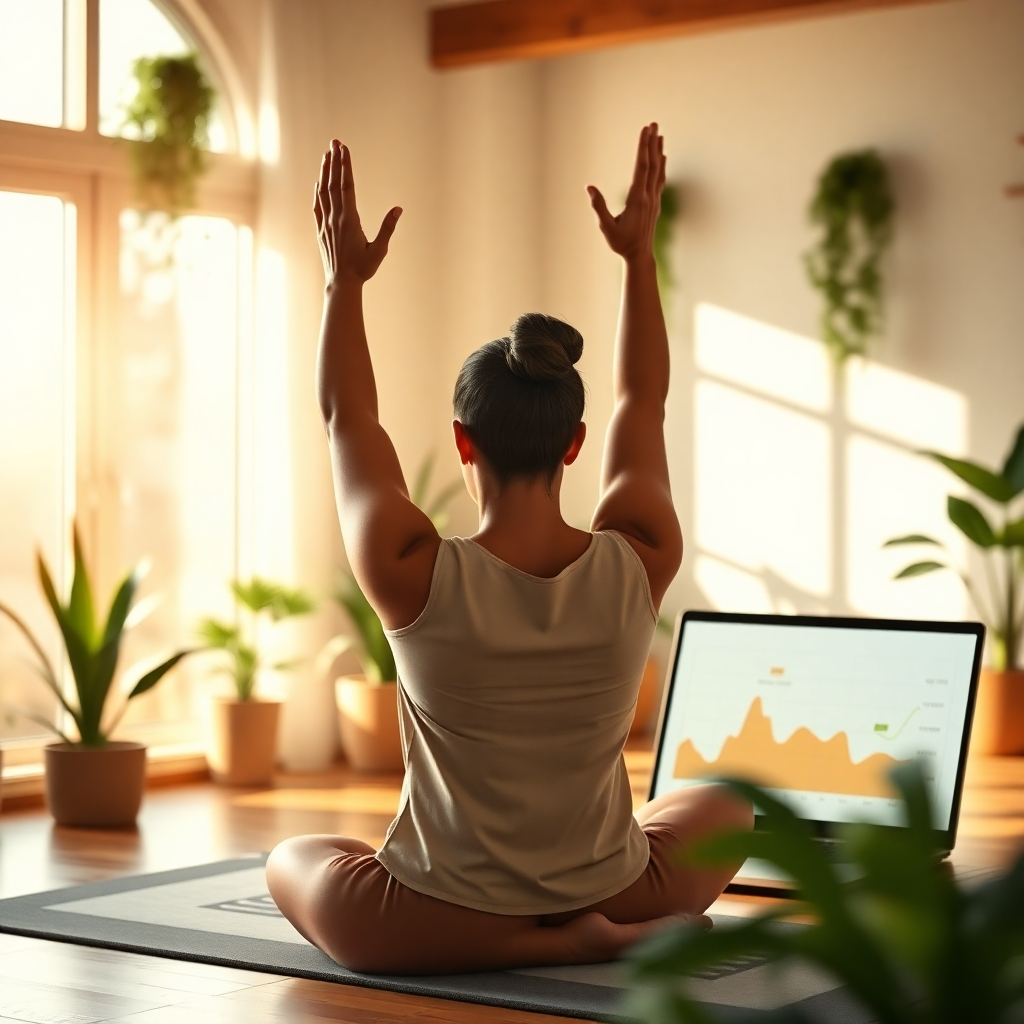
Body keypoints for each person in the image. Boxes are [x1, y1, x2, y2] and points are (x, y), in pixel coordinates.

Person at [267, 123, 752, 975]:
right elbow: (647, 399)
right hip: (611, 884)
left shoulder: (410, 571)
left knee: (292, 860)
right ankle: (584, 925)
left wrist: (344, 281)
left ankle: (537, 943)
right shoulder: (640, 555)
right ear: (575, 445)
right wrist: (639, 261)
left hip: (439, 909)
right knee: (730, 806)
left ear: (463, 443)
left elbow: (349, 420)